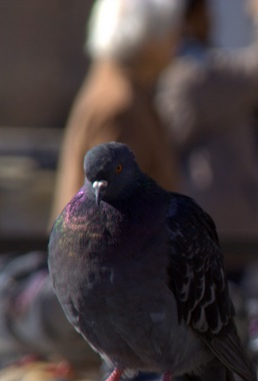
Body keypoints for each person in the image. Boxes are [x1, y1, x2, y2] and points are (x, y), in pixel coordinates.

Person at [156, 0, 258, 248]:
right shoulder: (195, 76)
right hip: (221, 226)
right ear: (189, 19)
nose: (212, 18)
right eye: (205, 11)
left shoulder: (175, 72)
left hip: (204, 220)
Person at [51, 0, 184, 220]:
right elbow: (110, 219)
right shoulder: (121, 105)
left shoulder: (115, 84)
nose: (176, 44)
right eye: (172, 32)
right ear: (150, 40)